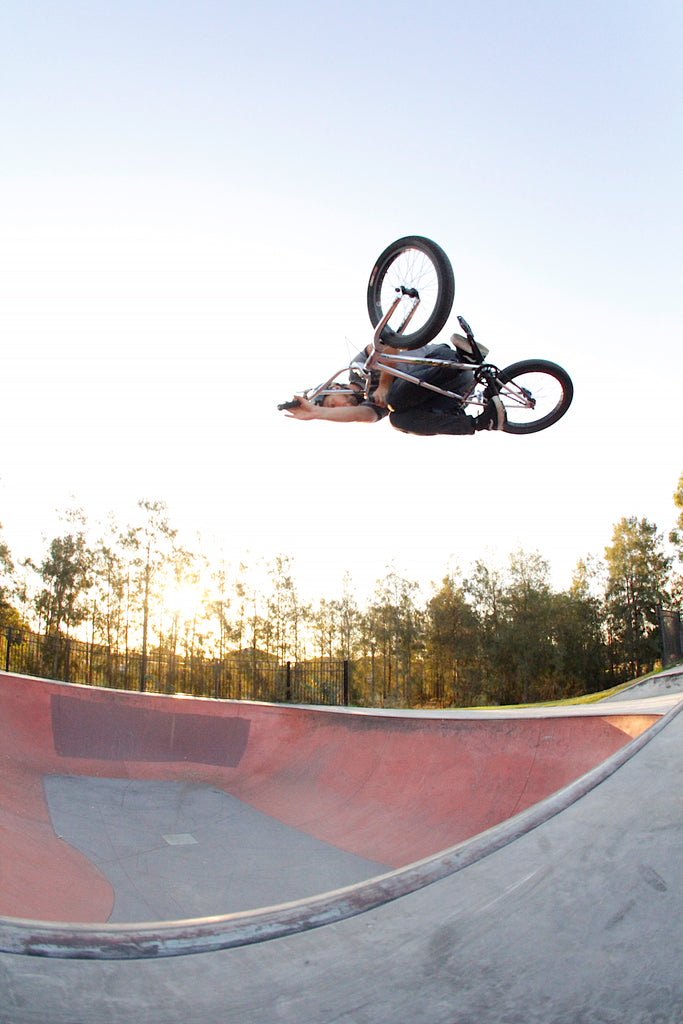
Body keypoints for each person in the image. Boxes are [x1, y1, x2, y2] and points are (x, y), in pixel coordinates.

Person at [283, 337, 506, 434]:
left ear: (338, 388)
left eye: (332, 405)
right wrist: (316, 413)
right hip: (453, 395)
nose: (339, 409)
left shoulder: (358, 366)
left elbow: (388, 344)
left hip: (444, 362)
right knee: (399, 419)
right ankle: (480, 422)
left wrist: (385, 385)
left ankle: (463, 360)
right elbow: (364, 416)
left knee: (393, 399)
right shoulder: (372, 404)